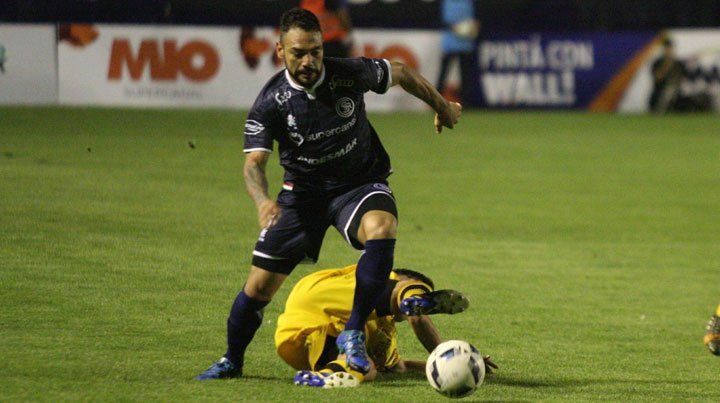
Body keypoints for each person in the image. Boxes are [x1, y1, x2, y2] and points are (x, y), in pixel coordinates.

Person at [197, 7, 462, 380]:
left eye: (315, 51)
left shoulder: (348, 73)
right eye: (298, 53)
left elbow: (401, 72)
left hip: (358, 184)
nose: (308, 61)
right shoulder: (270, 102)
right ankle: (231, 361)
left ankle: (352, 332)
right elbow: (254, 164)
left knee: (381, 227)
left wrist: (443, 107)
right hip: (302, 197)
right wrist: (262, 201)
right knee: (257, 289)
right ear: (280, 51)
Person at [274, 264, 495, 387]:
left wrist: (463, 364)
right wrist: (448, 354)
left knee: (365, 367)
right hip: (324, 294)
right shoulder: (377, 276)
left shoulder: (384, 329)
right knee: (406, 295)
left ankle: (329, 374)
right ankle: (416, 293)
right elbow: (417, 318)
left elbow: (400, 367)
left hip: (296, 342)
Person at [436, 0, 480, 103]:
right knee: (443, 74)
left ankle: (466, 103)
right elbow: (445, 22)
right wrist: (459, 28)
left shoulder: (467, 2)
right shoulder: (448, 2)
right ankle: (435, 101)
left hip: (465, 44)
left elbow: (473, 21)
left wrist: (471, 28)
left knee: (465, 76)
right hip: (450, 43)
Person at [648, 37, 684, 113]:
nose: (668, 50)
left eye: (670, 48)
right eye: (666, 48)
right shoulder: (657, 62)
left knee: (671, 91)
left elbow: (680, 79)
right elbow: (657, 78)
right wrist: (666, 65)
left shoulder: (678, 63)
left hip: (674, 95)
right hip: (658, 94)